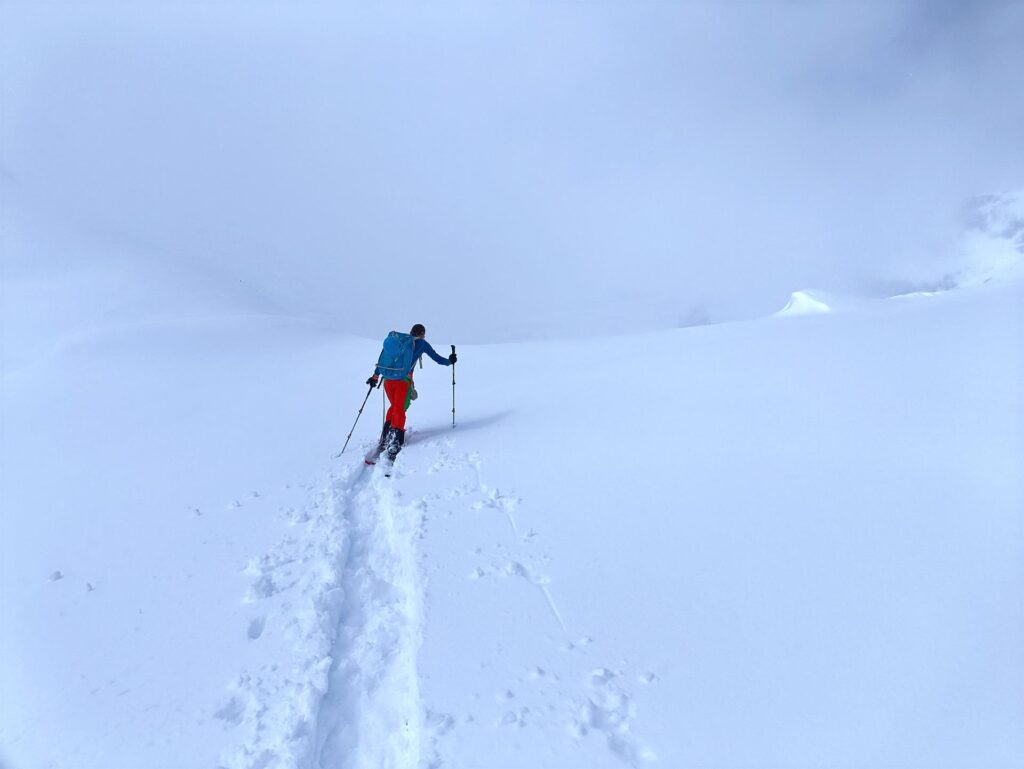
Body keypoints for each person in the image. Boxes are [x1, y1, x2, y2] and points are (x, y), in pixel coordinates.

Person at [366, 324, 456, 462]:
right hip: (403, 381)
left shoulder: (399, 342)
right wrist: (450, 361)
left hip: (388, 380)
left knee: (394, 406)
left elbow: (384, 359)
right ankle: (394, 442)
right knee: (400, 408)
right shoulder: (422, 344)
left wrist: (375, 376)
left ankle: (386, 435)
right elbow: (437, 359)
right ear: (422, 334)